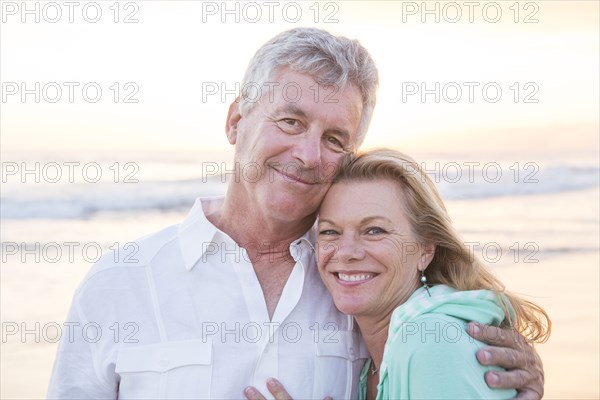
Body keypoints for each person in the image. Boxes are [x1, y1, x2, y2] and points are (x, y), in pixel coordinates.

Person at [48, 28, 544, 399]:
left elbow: (440, 365)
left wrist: (513, 381)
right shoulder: (120, 282)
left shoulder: (360, 281)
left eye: (334, 139)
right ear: (236, 121)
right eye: (290, 121)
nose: (308, 154)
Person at [316, 149, 551, 399]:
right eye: (330, 232)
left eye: (374, 230)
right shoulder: (372, 362)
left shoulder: (429, 341)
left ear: (426, 249)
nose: (347, 252)